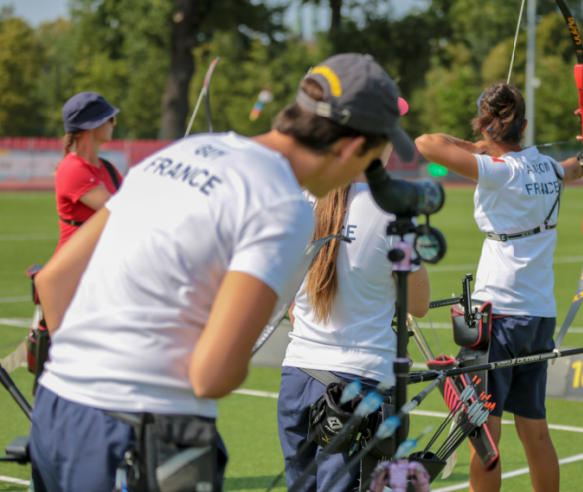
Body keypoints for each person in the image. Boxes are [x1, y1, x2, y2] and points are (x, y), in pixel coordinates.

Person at [29, 53, 416, 492]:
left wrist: (83, 379)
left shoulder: (185, 149)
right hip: (142, 433)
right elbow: (212, 374)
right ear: (350, 148)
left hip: (56, 407)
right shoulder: (283, 205)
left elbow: (53, 281)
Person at [415, 82, 583, 492]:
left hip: (496, 317)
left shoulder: (496, 171)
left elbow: (426, 143)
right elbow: (578, 166)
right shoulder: (549, 168)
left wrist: (475, 145)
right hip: (538, 316)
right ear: (523, 124)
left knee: (485, 437)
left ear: (487, 127)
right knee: (535, 432)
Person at [277, 137, 431, 492]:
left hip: (297, 377)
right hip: (358, 383)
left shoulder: (301, 201)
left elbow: (288, 298)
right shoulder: (393, 214)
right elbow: (419, 304)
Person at [55, 92, 123, 252]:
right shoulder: (73, 169)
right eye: (110, 119)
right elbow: (119, 211)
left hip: (98, 264)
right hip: (76, 270)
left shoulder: (108, 168)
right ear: (92, 126)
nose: (113, 124)